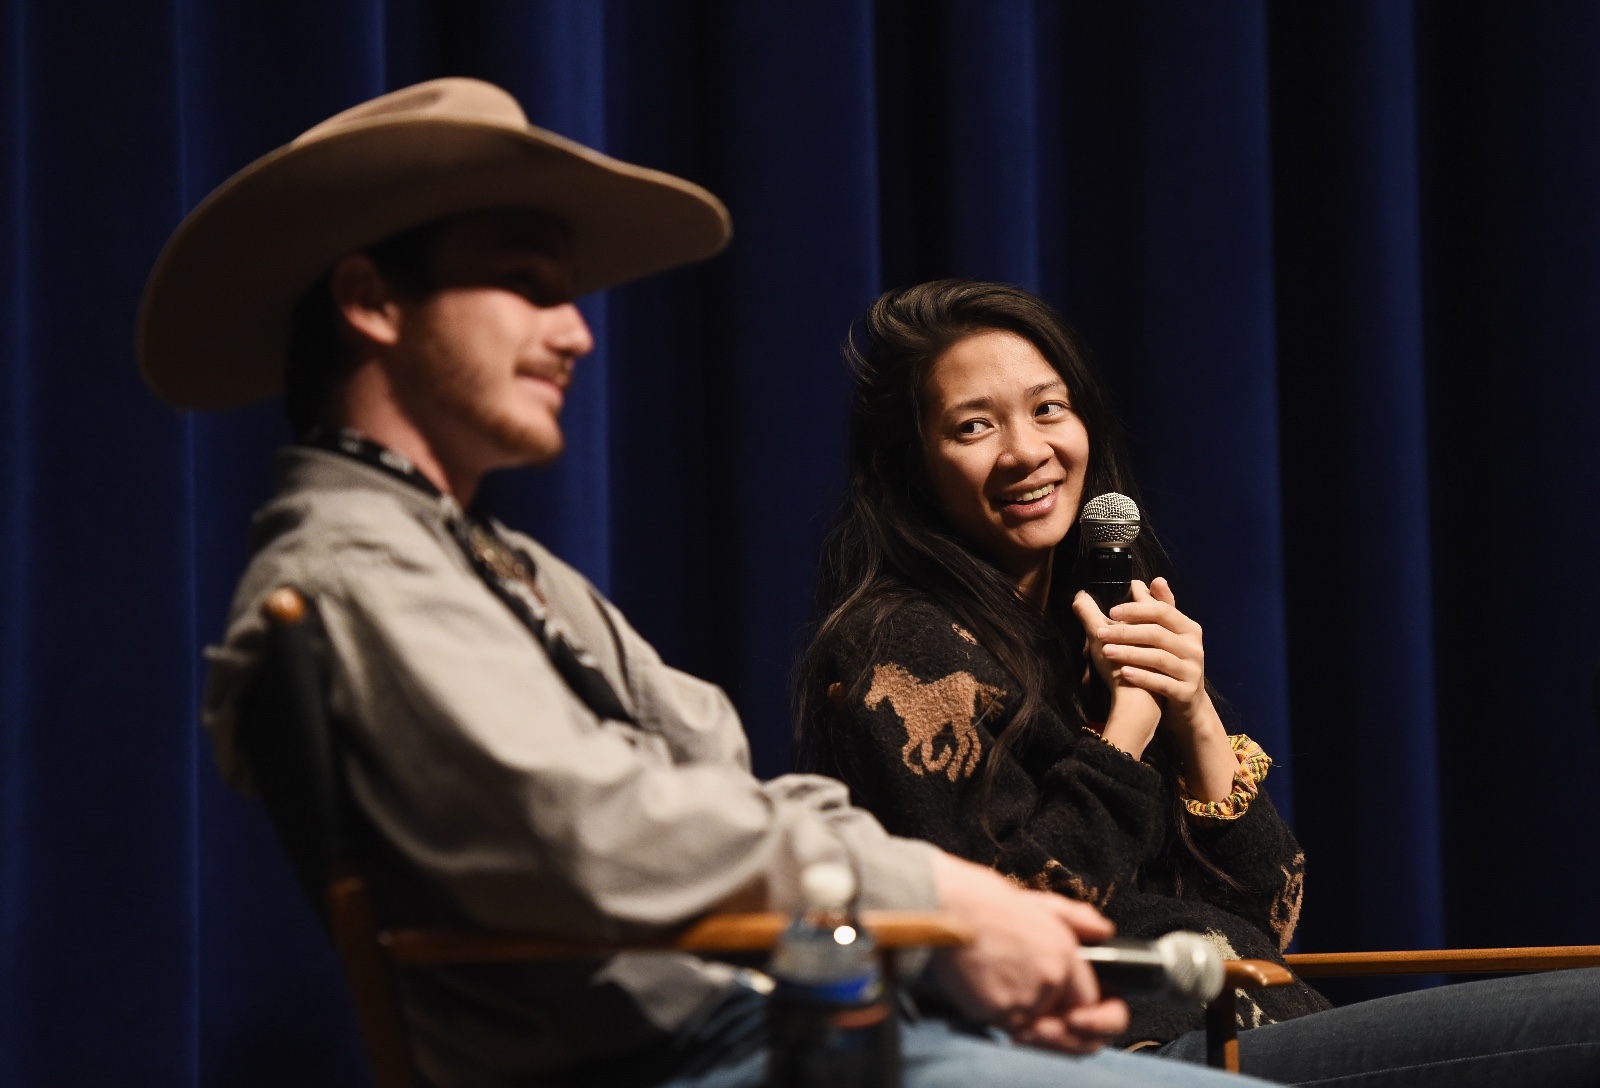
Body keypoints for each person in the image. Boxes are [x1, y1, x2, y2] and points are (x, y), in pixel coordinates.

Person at [137, 80, 1271, 1088]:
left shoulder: (494, 563)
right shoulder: (351, 574)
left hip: (770, 1023)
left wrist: (938, 894)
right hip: (692, 1053)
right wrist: (949, 902)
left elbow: (716, 778)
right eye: (527, 288)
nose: (576, 331)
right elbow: (590, 824)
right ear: (374, 302)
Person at [794, 279, 1600, 1086]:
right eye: (974, 426)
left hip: (1238, 1031)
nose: (1027, 450)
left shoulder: (1087, 627)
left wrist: (1192, 714)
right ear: (906, 464)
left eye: (1049, 409)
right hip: (1118, 1059)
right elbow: (1010, 924)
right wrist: (1126, 732)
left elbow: (1267, 915)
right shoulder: (896, 646)